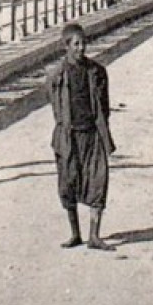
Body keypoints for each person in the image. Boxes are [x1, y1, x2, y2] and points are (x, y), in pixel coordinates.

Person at [45, 22, 116, 250]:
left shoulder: (97, 72)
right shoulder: (56, 76)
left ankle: (94, 236)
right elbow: (55, 105)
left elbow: (104, 107)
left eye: (84, 43)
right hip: (69, 137)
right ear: (66, 46)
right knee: (68, 183)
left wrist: (99, 127)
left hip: (92, 135)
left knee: (98, 181)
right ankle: (75, 234)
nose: (81, 48)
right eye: (76, 44)